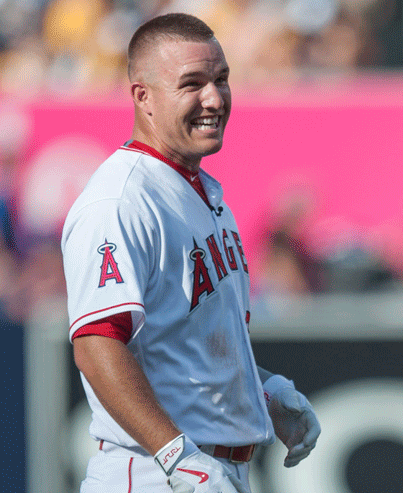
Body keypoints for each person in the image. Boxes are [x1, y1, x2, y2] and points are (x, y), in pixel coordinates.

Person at [61, 13, 320, 493]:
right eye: (192, 84)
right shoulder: (121, 200)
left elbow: (182, 348)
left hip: (208, 470)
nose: (214, 98)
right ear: (143, 96)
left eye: (221, 79)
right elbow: (97, 346)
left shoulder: (198, 189)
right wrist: (177, 456)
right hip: (154, 472)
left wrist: (264, 392)